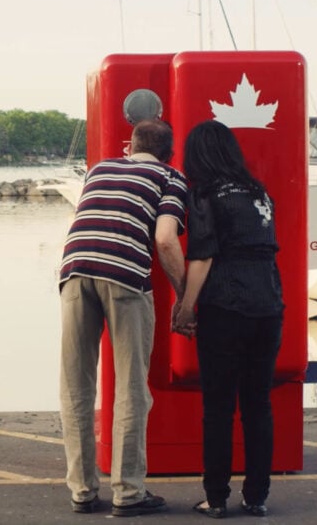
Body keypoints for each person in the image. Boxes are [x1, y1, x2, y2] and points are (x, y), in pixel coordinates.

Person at [58, 118, 188, 517]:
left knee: (76, 384)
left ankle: (82, 490)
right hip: (125, 277)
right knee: (131, 387)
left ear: (130, 146)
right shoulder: (170, 177)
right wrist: (185, 295)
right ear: (169, 151)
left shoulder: (99, 168)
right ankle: (128, 492)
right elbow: (165, 239)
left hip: (75, 269)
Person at [172, 120, 284, 519]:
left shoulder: (205, 193)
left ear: (197, 156)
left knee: (218, 406)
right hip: (269, 304)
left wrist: (185, 307)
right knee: (258, 404)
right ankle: (257, 497)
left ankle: (216, 498)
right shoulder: (259, 192)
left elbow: (202, 256)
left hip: (226, 305)